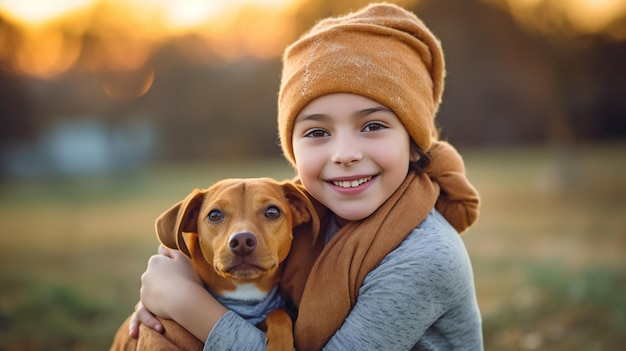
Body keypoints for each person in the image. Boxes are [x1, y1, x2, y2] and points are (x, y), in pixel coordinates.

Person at [130, 3, 482, 350]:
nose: (345, 154)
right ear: (292, 150)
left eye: (373, 126)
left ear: (413, 143)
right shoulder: (302, 212)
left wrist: (187, 305)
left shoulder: (425, 257)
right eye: (317, 132)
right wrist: (160, 301)